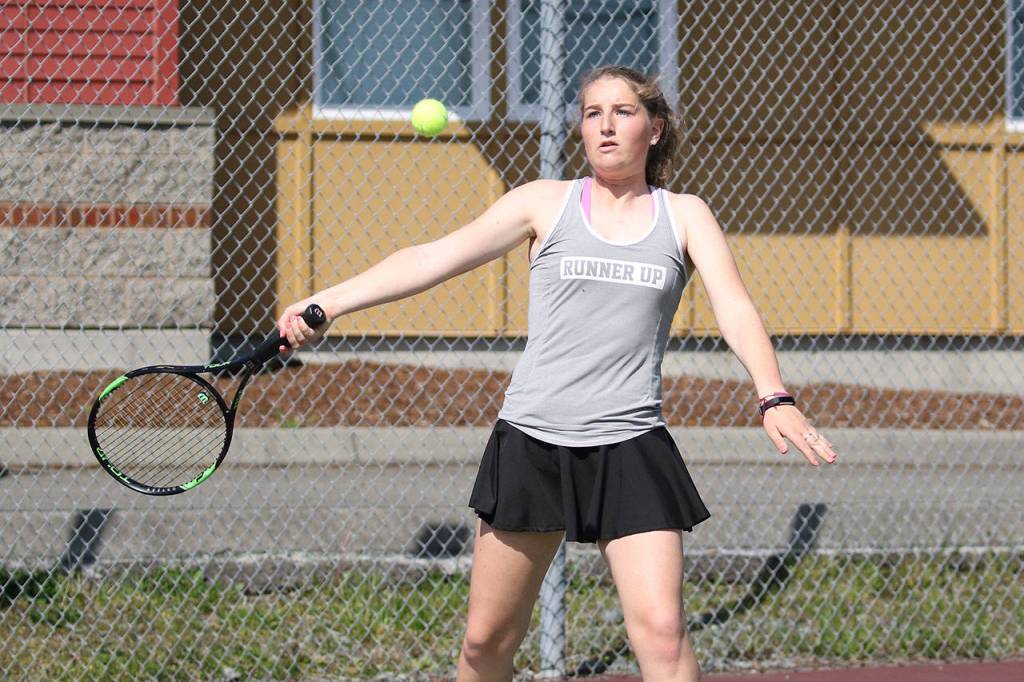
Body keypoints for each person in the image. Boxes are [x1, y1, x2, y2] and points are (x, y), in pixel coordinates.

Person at [276, 64, 838, 682]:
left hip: (629, 443)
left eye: (623, 112)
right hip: (533, 441)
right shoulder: (544, 203)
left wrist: (773, 395)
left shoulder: (684, 215)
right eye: (592, 113)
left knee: (663, 632)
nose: (605, 125)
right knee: (485, 644)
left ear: (654, 129)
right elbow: (434, 259)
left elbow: (734, 306)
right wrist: (326, 301)